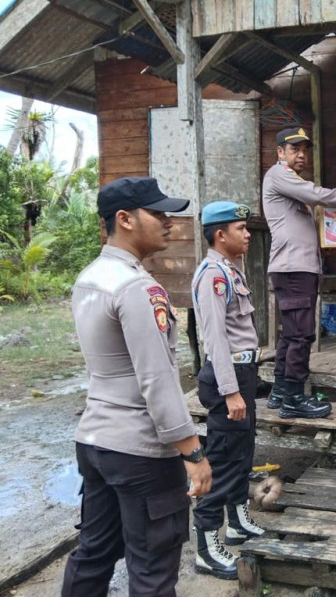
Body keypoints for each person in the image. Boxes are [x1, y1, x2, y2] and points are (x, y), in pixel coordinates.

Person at [62, 177, 212, 597]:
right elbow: (157, 381)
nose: (170, 222)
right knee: (152, 568)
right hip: (140, 451)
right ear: (124, 219)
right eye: (158, 213)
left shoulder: (90, 277)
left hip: (94, 441)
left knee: (92, 553)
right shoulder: (138, 288)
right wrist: (193, 453)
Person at [262, 127, 336, 418]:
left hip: (297, 268)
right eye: (295, 149)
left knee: (291, 333)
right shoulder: (280, 175)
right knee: (301, 334)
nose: (302, 155)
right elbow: (314, 193)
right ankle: (294, 398)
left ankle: (281, 392)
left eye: (305, 150)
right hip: (293, 269)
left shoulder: (290, 182)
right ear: (280, 152)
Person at [190, 201, 265, 579]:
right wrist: (231, 391)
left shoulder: (231, 270)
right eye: (241, 227)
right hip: (227, 378)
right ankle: (206, 544)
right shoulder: (213, 275)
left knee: (241, 452)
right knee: (220, 459)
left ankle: (236, 522)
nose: (248, 233)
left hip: (241, 373)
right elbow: (216, 339)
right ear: (220, 235)